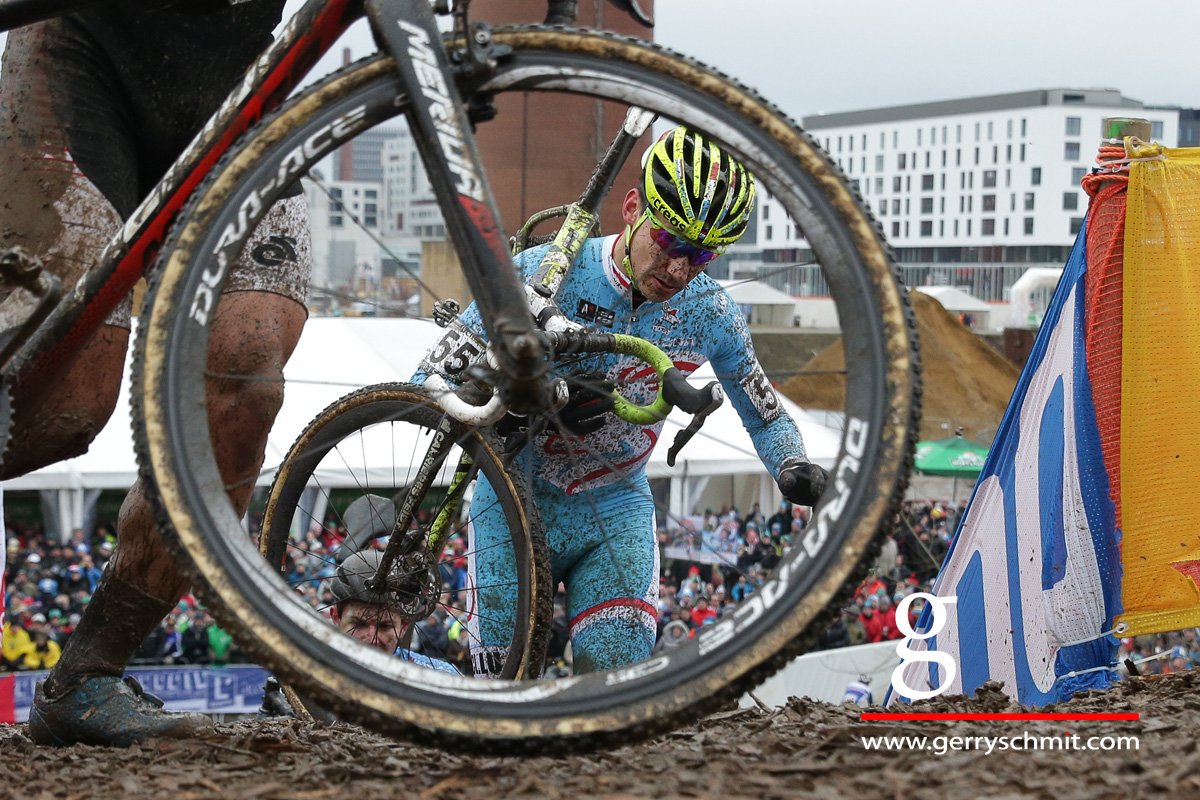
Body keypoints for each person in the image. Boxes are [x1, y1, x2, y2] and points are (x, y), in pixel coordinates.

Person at [2, 0, 313, 746]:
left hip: (234, 76)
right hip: (81, 49)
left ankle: (88, 675)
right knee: (66, 401)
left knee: (246, 387)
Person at [415, 126, 828, 675]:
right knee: (504, 689)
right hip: (513, 497)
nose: (679, 269)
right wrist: (523, 401)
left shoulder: (712, 314)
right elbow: (427, 381)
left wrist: (794, 466)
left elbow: (765, 411)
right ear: (633, 208)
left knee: (608, 686)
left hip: (616, 505)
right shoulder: (545, 272)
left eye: (702, 255)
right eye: (671, 242)